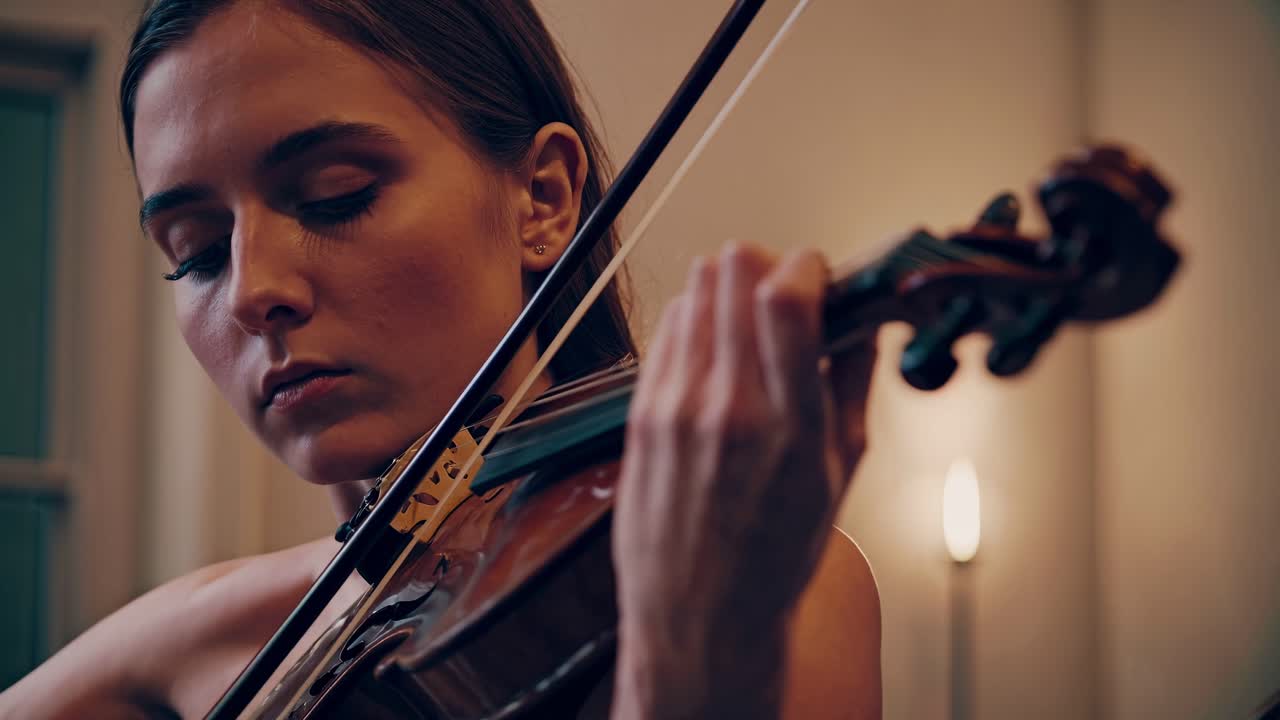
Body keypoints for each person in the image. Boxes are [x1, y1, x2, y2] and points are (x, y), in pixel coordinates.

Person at [0, 1, 882, 717]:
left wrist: (697, 661)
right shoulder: (210, 632)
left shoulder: (766, 584)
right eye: (195, 251)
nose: (250, 291)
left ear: (543, 200)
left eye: (337, 195)